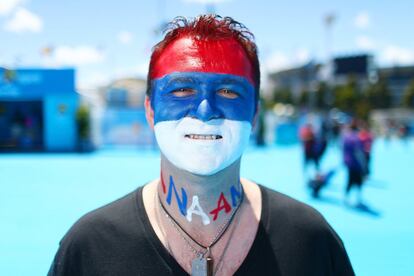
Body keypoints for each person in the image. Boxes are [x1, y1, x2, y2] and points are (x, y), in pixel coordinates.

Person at [48, 15, 354, 276]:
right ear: (150, 111)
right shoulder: (89, 248)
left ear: (255, 114)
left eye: (228, 91)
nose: (205, 110)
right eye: (182, 89)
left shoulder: (311, 241)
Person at [343, 119, 367, 206]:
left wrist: (344, 160)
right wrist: (364, 165)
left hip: (348, 163)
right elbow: (359, 153)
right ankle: (358, 198)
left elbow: (343, 150)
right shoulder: (356, 138)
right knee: (358, 181)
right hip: (356, 164)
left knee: (349, 180)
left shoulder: (345, 137)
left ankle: (346, 197)